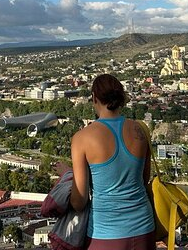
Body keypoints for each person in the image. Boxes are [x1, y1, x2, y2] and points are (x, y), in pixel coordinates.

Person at [70, 74, 155, 250]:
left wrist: (65, 178)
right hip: (144, 227)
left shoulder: (82, 138)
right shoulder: (140, 129)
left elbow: (79, 201)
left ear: (94, 98)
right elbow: (144, 179)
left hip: (106, 233)